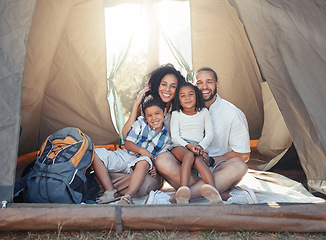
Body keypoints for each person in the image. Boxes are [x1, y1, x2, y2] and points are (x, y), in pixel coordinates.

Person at [155, 67, 258, 204]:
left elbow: (244, 155)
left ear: (217, 84)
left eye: (209, 82)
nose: (204, 87)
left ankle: (172, 198)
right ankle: (223, 193)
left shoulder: (232, 113)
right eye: (199, 83)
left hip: (217, 169)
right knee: (162, 160)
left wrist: (210, 160)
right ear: (194, 85)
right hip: (187, 166)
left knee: (239, 166)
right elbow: (173, 139)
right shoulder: (178, 111)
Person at [93, 93, 171, 204]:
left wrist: (153, 166)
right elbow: (128, 143)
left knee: (144, 161)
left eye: (157, 113)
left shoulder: (167, 137)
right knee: (96, 153)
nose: (154, 118)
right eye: (149, 115)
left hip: (143, 165)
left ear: (164, 112)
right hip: (126, 156)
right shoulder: (140, 123)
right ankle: (110, 191)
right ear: (144, 115)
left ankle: (128, 196)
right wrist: (142, 151)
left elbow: (159, 157)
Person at [169, 82, 221, 204]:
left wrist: (200, 147)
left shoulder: (203, 112)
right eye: (182, 96)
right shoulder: (176, 114)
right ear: (178, 100)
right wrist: (188, 146)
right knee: (189, 155)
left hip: (198, 145)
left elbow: (210, 134)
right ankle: (183, 190)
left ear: (197, 96)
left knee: (198, 161)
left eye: (190, 94)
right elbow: (175, 136)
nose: (187, 98)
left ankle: (214, 194)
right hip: (180, 145)